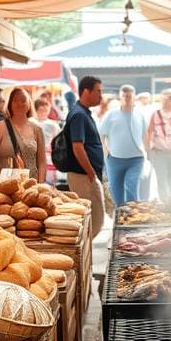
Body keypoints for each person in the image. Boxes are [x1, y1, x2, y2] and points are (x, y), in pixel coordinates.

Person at [65, 75, 104, 239]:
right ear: (86, 91)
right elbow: (78, 147)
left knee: (95, 222)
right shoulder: (79, 114)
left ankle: (86, 261)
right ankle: (84, 262)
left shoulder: (83, 113)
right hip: (82, 176)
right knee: (92, 223)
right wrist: (91, 174)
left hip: (86, 175)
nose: (101, 96)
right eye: (98, 91)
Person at [100, 85, 147, 206]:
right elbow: (101, 134)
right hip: (114, 159)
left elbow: (146, 134)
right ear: (120, 97)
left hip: (136, 159)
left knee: (131, 185)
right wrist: (106, 150)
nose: (127, 98)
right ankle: (119, 219)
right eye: (124, 96)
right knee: (116, 191)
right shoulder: (111, 114)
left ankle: (133, 217)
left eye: (129, 96)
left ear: (134, 97)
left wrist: (146, 150)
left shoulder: (140, 114)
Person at [0, 87, 46, 179]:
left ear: (29, 104)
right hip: (6, 186)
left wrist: (40, 184)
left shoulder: (37, 130)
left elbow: (42, 162)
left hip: (30, 186)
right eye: (15, 100)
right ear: (10, 104)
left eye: (23, 100)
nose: (19, 104)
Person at [145, 89, 171, 201]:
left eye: (169, 99)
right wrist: (148, 150)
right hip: (159, 152)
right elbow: (149, 131)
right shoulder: (155, 114)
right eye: (164, 99)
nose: (166, 101)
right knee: (161, 179)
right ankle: (164, 202)